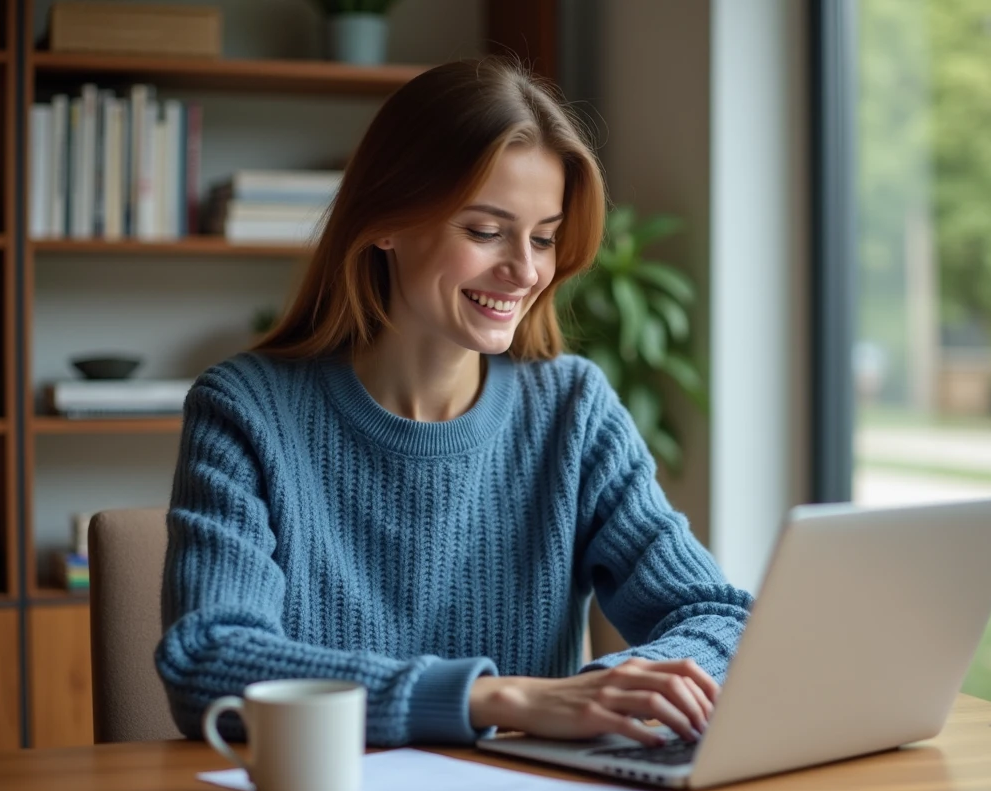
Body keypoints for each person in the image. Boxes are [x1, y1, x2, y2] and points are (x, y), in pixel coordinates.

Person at [155, 57, 753, 750]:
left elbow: (718, 616)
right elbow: (211, 659)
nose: (525, 271)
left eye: (544, 237)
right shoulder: (245, 409)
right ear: (386, 221)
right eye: (485, 230)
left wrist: (608, 690)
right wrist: (503, 699)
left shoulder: (572, 409)